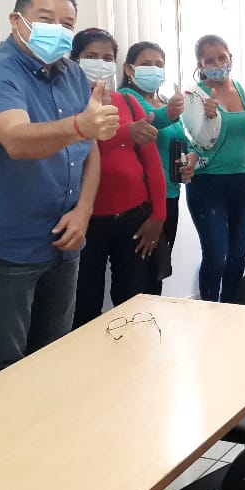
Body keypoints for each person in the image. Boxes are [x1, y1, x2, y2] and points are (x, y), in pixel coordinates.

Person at [0, 0, 119, 383]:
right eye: (47, 20)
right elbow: (16, 139)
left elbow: (90, 150)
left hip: (63, 239)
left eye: (67, 24)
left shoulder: (72, 74)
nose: (58, 31)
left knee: (54, 359)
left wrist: (84, 211)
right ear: (17, 21)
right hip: (3, 244)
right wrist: (81, 125)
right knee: (2, 371)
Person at [69, 28, 167, 327]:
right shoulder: (67, 103)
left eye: (107, 57)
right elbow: (78, 148)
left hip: (134, 217)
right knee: (84, 304)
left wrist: (158, 216)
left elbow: (152, 163)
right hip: (86, 221)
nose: (101, 63)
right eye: (91, 56)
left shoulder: (127, 102)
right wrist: (126, 133)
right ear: (75, 60)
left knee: (133, 301)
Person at [184, 34, 245, 302]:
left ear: (230, 58)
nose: (217, 64)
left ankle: (231, 310)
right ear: (200, 65)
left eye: (222, 58)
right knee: (217, 255)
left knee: (237, 256)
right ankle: (208, 310)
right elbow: (199, 141)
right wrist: (209, 116)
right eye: (210, 61)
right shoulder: (193, 96)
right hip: (208, 184)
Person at [119, 41, 187, 293]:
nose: (154, 69)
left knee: (157, 271)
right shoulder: (126, 98)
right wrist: (169, 113)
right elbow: (146, 123)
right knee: (137, 276)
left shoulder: (164, 101)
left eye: (159, 64)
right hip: (143, 202)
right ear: (129, 69)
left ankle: (152, 315)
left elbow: (182, 139)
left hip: (171, 195)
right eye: (146, 64)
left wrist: (191, 158)